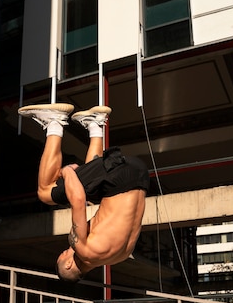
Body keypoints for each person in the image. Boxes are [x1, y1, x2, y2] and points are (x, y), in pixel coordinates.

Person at [18, 103, 150, 282]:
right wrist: (67, 171)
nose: (66, 250)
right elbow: (78, 199)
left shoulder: (120, 256)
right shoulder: (84, 249)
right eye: (64, 253)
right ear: (68, 265)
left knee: (92, 190)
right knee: (45, 192)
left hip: (139, 175)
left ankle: (95, 125)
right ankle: (54, 122)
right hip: (119, 177)